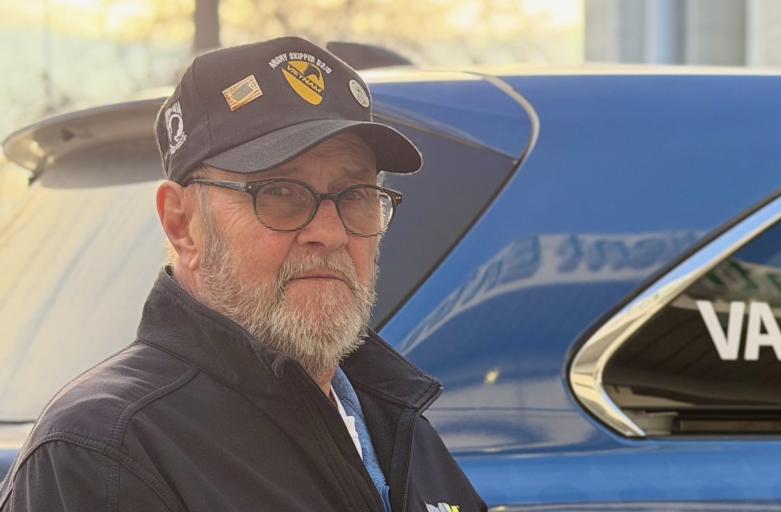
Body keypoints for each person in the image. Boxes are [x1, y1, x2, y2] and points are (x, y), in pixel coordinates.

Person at [0, 36, 486, 512]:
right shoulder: (105, 454)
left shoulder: (397, 426)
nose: (330, 232)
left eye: (355, 194)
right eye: (279, 192)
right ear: (182, 223)